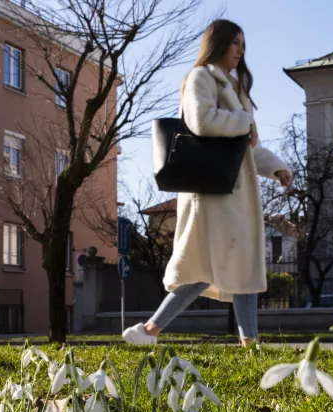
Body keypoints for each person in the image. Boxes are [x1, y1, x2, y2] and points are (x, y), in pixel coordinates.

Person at [123, 19, 293, 347]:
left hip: (233, 195)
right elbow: (201, 122)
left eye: (244, 45)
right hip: (213, 196)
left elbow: (244, 150)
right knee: (204, 271)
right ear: (218, 43)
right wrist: (245, 122)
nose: (241, 51)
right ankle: (148, 331)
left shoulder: (234, 88)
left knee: (239, 270)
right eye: (236, 44)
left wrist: (277, 168)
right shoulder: (201, 78)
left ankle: (249, 345)